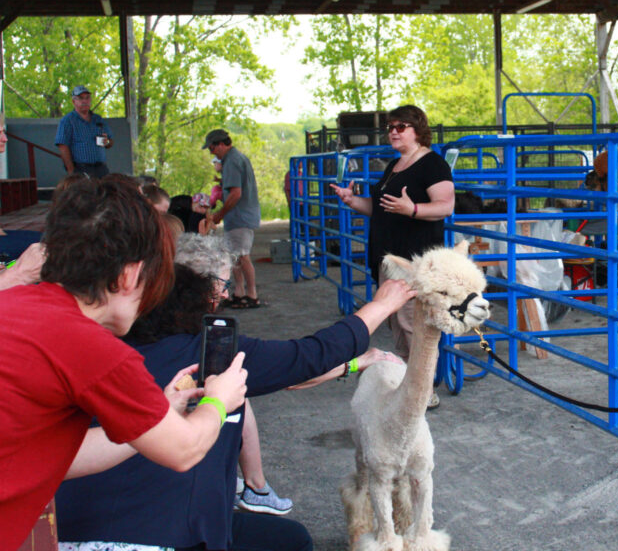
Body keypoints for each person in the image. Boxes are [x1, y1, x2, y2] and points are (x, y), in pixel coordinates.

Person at [56, 233, 413, 551]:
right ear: (201, 287)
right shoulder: (215, 356)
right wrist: (380, 307)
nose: (227, 293)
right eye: (222, 284)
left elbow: (296, 371)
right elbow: (307, 358)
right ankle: (256, 490)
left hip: (65, 526)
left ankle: (255, 491)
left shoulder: (93, 348)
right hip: (174, 532)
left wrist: (357, 362)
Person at [0, 176, 249, 550]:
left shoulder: (13, 306)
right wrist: (219, 399)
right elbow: (184, 450)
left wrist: (155, 417)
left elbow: (55, 458)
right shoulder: (93, 348)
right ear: (131, 274)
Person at [330, 104, 454, 408]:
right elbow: (379, 209)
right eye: (390, 127)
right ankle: (410, 384)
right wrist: (351, 200)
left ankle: (424, 390)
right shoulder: (395, 165)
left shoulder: (432, 164)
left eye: (401, 127)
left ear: (418, 130)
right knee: (397, 323)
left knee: (413, 323)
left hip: (415, 260)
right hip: (389, 260)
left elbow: (445, 206)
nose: (393, 132)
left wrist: (412, 209)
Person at [203, 129, 261, 309]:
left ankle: (251, 295)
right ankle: (240, 292)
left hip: (239, 216)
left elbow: (236, 193)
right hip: (240, 216)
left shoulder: (232, 162)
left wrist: (218, 215)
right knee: (235, 256)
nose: (212, 153)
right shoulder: (236, 159)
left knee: (242, 256)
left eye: (212, 148)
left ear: (221, 144)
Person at [55, 86, 113, 178]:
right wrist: (71, 171)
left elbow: (110, 141)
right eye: (80, 98)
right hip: (81, 168)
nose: (84, 101)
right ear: (74, 101)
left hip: (101, 168)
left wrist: (107, 142)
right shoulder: (67, 121)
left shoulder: (98, 119)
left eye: (87, 98)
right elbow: (63, 146)